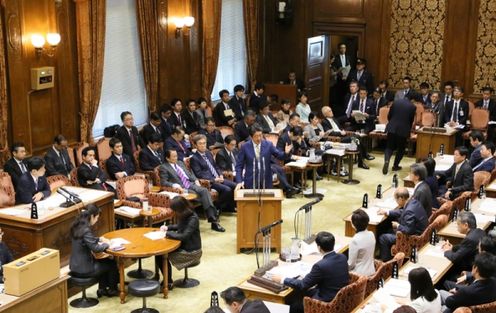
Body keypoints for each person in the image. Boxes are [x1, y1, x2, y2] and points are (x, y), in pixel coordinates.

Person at [270, 231, 349, 313]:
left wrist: (282, 279)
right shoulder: (342, 257)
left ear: (319, 247)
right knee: (300, 293)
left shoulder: (320, 266)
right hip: (339, 297)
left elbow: (303, 285)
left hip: (326, 301)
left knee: (293, 305)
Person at [159, 149, 224, 232]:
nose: (176, 157)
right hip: (182, 188)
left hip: (191, 184)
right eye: (174, 156)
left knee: (204, 191)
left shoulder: (180, 163)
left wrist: (196, 180)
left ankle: (212, 218)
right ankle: (214, 221)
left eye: (176, 155)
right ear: (167, 158)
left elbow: (189, 174)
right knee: (201, 196)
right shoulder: (164, 167)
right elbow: (163, 182)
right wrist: (174, 185)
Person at [69, 204, 119, 297]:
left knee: (103, 261)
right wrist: (107, 244)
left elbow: (85, 240)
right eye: (97, 218)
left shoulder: (76, 226)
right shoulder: (86, 230)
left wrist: (99, 239)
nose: (96, 221)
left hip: (74, 266)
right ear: (92, 216)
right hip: (84, 269)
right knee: (111, 263)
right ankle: (112, 290)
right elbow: (95, 248)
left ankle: (102, 289)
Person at [155, 197, 202, 289]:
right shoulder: (186, 214)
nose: (174, 212)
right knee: (160, 253)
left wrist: (167, 233)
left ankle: (168, 282)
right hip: (185, 247)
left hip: (191, 252)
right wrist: (168, 228)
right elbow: (180, 226)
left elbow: (184, 236)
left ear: (180, 209)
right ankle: (167, 280)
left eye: (175, 210)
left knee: (161, 255)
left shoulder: (193, 219)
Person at [378, 187, 428, 261]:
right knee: (389, 230)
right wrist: (387, 212)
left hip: (413, 237)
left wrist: (397, 225)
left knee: (383, 238)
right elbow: (403, 211)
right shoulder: (413, 201)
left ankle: (386, 262)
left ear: (401, 198)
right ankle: (388, 254)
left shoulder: (409, 210)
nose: (396, 202)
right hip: (419, 231)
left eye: (396, 199)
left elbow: (408, 230)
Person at [190, 134, 237, 213]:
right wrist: (214, 179)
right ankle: (216, 209)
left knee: (235, 186)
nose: (203, 145)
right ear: (195, 145)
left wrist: (221, 175)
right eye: (200, 143)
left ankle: (229, 208)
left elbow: (216, 166)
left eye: (204, 143)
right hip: (210, 181)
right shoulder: (194, 158)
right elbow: (199, 174)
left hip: (218, 177)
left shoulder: (208, 153)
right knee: (227, 189)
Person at [235, 125, 291, 190]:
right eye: (256, 136)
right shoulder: (245, 147)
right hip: (251, 180)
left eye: (260, 135)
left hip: (266, 179)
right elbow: (239, 166)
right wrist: (239, 181)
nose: (259, 138)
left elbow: (279, 155)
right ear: (251, 136)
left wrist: (286, 153)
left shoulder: (268, 144)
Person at [320, 106, 372, 170]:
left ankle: (361, 160)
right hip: (337, 139)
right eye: (329, 111)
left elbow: (341, 128)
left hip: (343, 136)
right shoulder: (324, 122)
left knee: (357, 138)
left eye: (331, 110)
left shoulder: (334, 119)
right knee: (356, 138)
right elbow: (329, 133)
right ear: (325, 114)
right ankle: (364, 156)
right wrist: (340, 133)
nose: (332, 112)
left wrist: (345, 132)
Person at [442, 212, 485, 277]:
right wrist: (452, 247)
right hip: (479, 266)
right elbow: (465, 247)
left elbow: (455, 258)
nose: (457, 226)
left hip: (470, 269)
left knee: (444, 277)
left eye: (458, 224)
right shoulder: (479, 231)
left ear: (466, 225)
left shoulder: (470, 239)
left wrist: (446, 251)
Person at [382, 97, 416, 175]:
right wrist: (409, 129)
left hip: (392, 127)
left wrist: (392, 123)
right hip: (403, 129)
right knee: (401, 148)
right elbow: (411, 120)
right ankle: (395, 165)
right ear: (412, 100)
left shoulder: (396, 102)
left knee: (389, 147)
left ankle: (387, 161)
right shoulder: (412, 106)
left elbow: (389, 115)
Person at [348, 209, 375, 276]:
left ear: (353, 225)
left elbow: (351, 264)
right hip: (372, 271)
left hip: (358, 275)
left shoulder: (355, 240)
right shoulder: (371, 234)